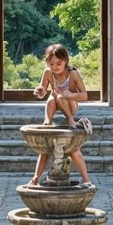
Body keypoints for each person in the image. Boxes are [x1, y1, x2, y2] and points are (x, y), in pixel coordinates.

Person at [32, 43, 91, 183]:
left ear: (66, 61)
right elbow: (43, 92)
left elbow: (84, 96)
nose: (55, 67)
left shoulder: (73, 74)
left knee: (74, 150)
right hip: (54, 103)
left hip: (70, 105)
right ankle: (48, 120)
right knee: (53, 97)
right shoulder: (48, 73)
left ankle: (86, 179)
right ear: (47, 63)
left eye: (59, 63)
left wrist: (70, 94)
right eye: (51, 64)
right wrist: (39, 92)